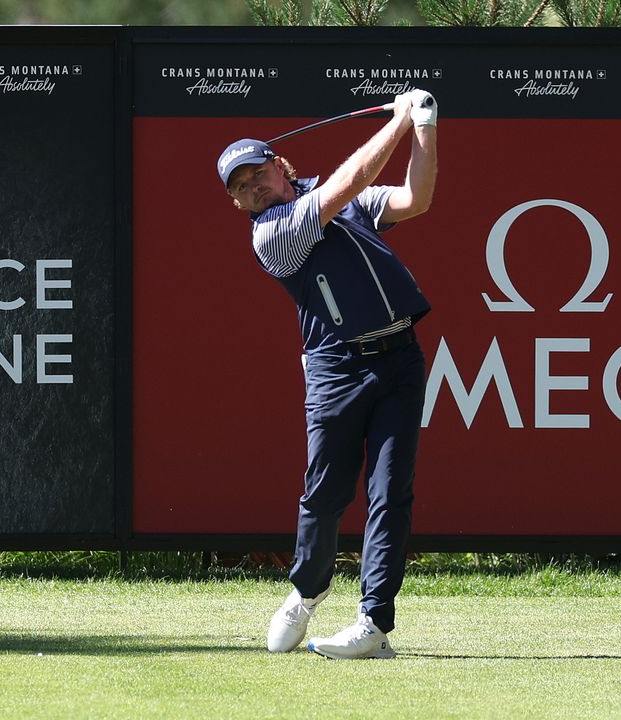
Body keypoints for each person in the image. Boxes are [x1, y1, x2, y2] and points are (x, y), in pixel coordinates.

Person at [217, 89, 438, 660]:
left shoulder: (339, 203)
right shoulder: (272, 233)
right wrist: (397, 121)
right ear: (239, 205)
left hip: (400, 358)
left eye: (256, 173)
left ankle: (374, 625)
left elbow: (416, 200)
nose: (251, 188)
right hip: (336, 367)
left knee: (391, 493)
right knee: (326, 492)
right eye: (238, 188)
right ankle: (306, 592)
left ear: (279, 164)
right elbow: (350, 182)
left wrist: (424, 128)